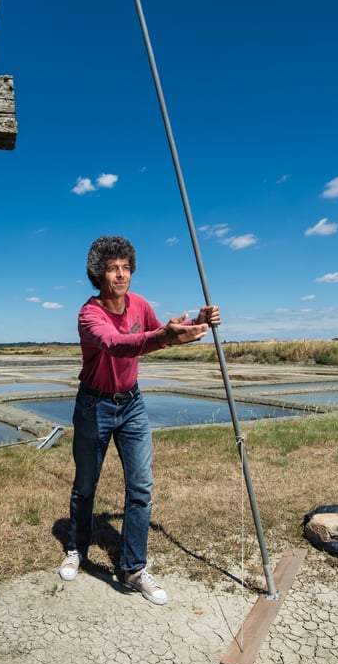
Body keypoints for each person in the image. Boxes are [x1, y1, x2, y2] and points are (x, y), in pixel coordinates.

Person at [59, 235, 219, 605]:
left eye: (126, 268)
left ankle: (132, 568)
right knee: (85, 486)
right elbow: (118, 344)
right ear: (98, 274)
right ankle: (76, 549)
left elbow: (164, 335)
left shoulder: (140, 305)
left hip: (131, 404)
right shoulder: (89, 314)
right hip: (94, 406)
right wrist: (162, 335)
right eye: (112, 269)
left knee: (142, 487)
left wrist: (198, 323)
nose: (120, 275)